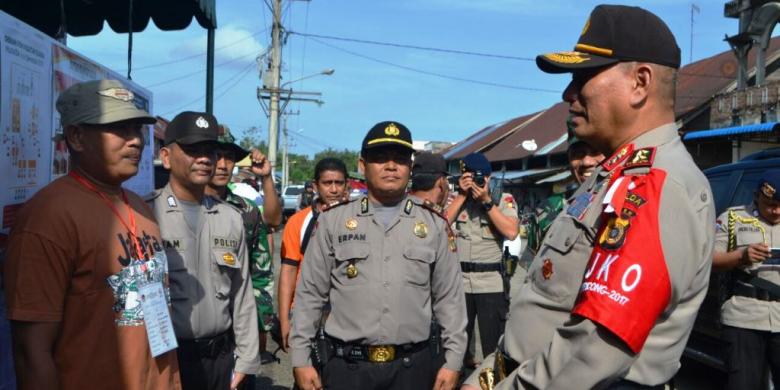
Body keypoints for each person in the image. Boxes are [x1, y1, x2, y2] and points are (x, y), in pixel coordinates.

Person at [463, 5, 714, 389]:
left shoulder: (654, 184)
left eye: (584, 76)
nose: (568, 93)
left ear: (640, 83)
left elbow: (593, 348)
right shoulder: (612, 175)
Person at [3, 79, 181, 389]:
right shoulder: (48, 218)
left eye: (137, 129)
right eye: (120, 129)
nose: (136, 141)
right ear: (76, 136)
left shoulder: (139, 206)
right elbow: (32, 352)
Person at [290, 121, 467, 390]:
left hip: (412, 369)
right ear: (363, 165)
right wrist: (301, 358)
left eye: (399, 159)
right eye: (380, 158)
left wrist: (453, 360)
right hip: (347, 368)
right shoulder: (332, 221)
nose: (391, 166)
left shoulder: (433, 224)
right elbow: (310, 295)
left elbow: (450, 300)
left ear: (410, 168)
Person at [149, 111, 260, 390]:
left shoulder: (230, 217)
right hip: (167, 359)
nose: (204, 159)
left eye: (209, 151)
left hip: (220, 358)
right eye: (192, 150)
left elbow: (242, 293)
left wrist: (246, 358)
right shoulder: (146, 214)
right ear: (166, 156)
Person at [205, 125, 282, 366]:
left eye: (229, 157)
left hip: (237, 325)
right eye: (216, 155)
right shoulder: (174, 207)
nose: (223, 164)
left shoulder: (246, 210)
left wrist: (261, 324)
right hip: (190, 328)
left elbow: (260, 272)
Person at [444, 152, 519, 369]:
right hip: (459, 283)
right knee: (457, 343)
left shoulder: (503, 199)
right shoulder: (458, 201)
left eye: (480, 178)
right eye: (470, 177)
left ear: (488, 178)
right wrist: (461, 195)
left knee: (493, 345)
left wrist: (487, 202)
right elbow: (439, 227)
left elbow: (511, 231)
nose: (476, 183)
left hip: (491, 283)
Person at [712, 171, 780, 390]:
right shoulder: (733, 218)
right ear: (756, 196)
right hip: (743, 317)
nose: (776, 211)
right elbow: (708, 260)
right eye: (770, 204)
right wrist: (740, 256)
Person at [277, 157, 349, 352]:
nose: (333, 189)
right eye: (327, 183)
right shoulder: (298, 222)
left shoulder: (359, 219)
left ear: (346, 185)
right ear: (316, 185)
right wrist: (284, 319)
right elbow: (288, 271)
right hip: (306, 310)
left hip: (348, 312)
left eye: (339, 183)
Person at [524, 128, 605, 256]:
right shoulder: (547, 209)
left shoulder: (626, 203)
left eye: (596, 151)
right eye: (578, 154)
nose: (586, 161)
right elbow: (531, 265)